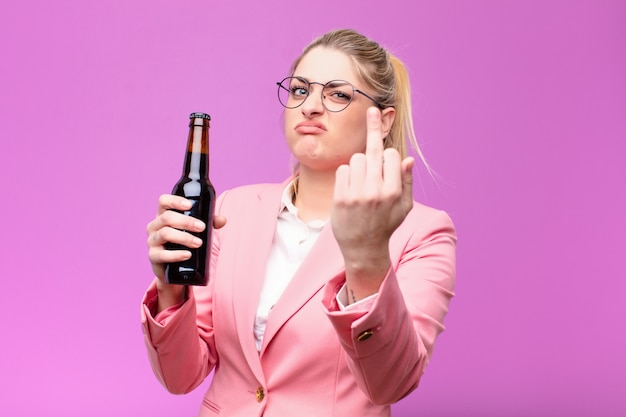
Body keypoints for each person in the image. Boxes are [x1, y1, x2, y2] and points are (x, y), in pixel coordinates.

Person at [142, 28, 457, 417]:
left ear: (384, 119)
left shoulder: (422, 232)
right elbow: (180, 378)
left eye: (338, 94)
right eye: (300, 90)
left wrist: (367, 257)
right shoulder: (234, 208)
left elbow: (390, 383)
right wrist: (170, 290)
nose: (310, 106)